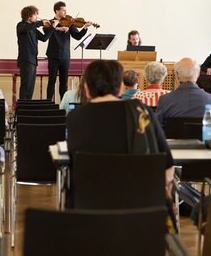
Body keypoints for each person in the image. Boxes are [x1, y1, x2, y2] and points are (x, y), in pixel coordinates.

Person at [66, 60, 175, 211]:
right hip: (141, 212)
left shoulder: (75, 118)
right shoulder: (141, 111)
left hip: (90, 211)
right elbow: (167, 165)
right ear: (119, 89)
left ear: (86, 89)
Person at [45, 1, 95, 101]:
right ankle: (48, 103)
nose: (65, 12)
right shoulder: (50, 23)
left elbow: (77, 36)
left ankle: (63, 104)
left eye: (65, 10)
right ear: (56, 11)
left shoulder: (69, 22)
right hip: (53, 55)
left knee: (64, 82)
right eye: (63, 10)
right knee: (52, 81)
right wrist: (59, 28)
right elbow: (46, 32)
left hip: (65, 56)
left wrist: (84, 28)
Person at [156, 57, 211, 124]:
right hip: (200, 134)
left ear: (177, 75)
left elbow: (157, 127)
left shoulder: (165, 100)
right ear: (198, 74)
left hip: (174, 134)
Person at [17, 5, 54, 100]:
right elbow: (26, 28)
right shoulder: (21, 25)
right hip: (25, 60)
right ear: (29, 16)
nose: (36, 17)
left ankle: (27, 108)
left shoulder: (33, 29)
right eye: (35, 15)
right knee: (25, 86)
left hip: (33, 60)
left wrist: (52, 28)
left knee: (30, 87)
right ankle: (22, 109)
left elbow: (44, 38)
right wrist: (41, 23)